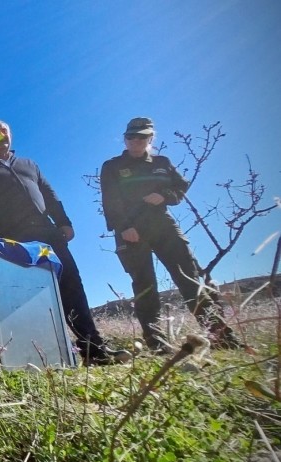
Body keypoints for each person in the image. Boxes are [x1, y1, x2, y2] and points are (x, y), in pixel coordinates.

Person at [0, 119, 131, 366]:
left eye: (4, 131)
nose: (0, 135)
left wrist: (64, 221)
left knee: (72, 284)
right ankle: (31, 356)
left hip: (49, 235)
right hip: (13, 239)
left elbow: (49, 194)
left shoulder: (29, 164)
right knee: (28, 294)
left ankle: (94, 351)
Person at [100, 117, 245, 352]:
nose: (136, 141)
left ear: (150, 138)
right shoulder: (112, 166)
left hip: (163, 225)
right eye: (131, 137)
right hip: (131, 231)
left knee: (189, 278)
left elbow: (181, 186)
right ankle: (157, 343)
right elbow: (110, 200)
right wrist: (124, 226)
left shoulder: (162, 162)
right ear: (125, 138)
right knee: (145, 285)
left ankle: (220, 337)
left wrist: (165, 195)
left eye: (142, 137)